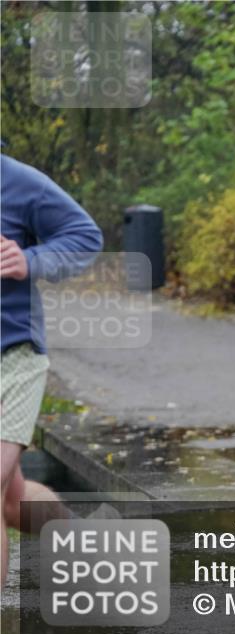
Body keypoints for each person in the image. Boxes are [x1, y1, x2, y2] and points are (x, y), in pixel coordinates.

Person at [1, 153, 103, 582]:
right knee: (12, 499)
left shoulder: (16, 181)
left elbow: (84, 236)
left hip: (11, 356)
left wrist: (31, 260)